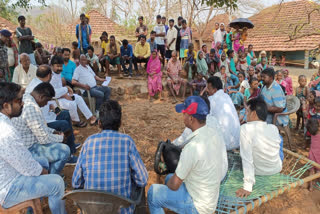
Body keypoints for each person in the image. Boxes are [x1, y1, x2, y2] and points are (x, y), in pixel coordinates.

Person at [148, 96, 226, 214]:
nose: (182, 116)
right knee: (170, 177)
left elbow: (174, 185)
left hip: (197, 206)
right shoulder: (213, 133)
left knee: (153, 192)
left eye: (184, 113)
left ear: (191, 118)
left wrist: (170, 182)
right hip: (210, 198)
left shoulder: (192, 147)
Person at [0, 82, 67, 214]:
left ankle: (38, 198)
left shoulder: (5, 122)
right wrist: (43, 172)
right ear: (6, 106)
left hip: (9, 172)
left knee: (42, 162)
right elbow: (27, 167)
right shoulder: (6, 132)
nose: (22, 103)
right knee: (57, 183)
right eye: (19, 100)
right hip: (8, 188)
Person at [72, 100, 148, 214]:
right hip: (121, 209)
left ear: (99, 123)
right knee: (139, 187)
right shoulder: (127, 141)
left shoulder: (88, 142)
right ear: (120, 123)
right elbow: (143, 179)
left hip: (92, 209)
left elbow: (75, 182)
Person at [12, 82, 71, 175]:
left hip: (27, 142)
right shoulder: (31, 107)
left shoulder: (27, 97)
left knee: (55, 139)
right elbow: (43, 139)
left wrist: (54, 131)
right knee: (65, 150)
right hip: (28, 148)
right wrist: (61, 138)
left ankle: (51, 172)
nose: (46, 104)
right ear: (41, 97)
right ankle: (52, 178)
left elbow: (40, 127)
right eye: (46, 101)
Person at [26, 65, 80, 161]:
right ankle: (68, 156)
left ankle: (71, 145)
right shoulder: (39, 87)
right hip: (43, 121)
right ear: (49, 75)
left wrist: (53, 109)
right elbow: (54, 94)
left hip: (48, 116)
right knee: (64, 124)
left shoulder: (36, 82)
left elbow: (47, 102)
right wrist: (66, 88)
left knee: (65, 114)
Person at [236, 97, 282, 198]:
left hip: (260, 172)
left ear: (254, 114)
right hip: (276, 168)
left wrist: (247, 186)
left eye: (247, 111)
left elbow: (247, 159)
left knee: (242, 157)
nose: (245, 114)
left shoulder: (245, 129)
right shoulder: (273, 128)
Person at [50, 55, 97, 127]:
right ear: (52, 66)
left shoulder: (58, 73)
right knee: (72, 104)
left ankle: (91, 117)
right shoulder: (49, 76)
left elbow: (59, 88)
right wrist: (65, 92)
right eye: (57, 66)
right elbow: (53, 93)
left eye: (61, 66)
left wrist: (66, 91)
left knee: (78, 98)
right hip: (53, 100)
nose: (60, 68)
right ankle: (75, 121)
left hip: (61, 96)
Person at [306, 118, 320, 191]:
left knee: (311, 171)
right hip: (319, 156)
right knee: (318, 170)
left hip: (312, 155)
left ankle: (311, 186)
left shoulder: (312, 133)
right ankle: (317, 181)